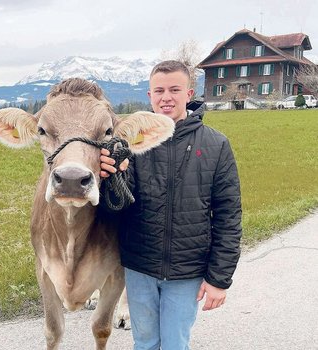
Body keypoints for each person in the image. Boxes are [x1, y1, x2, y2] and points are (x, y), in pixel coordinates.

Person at [100, 60, 242, 349]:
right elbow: (115, 208)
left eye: (175, 89)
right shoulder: (129, 144)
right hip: (140, 267)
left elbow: (228, 215)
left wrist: (219, 279)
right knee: (146, 343)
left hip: (187, 271)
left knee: (176, 344)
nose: (167, 97)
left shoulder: (216, 145)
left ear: (189, 94)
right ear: (149, 96)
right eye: (159, 90)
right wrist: (111, 178)